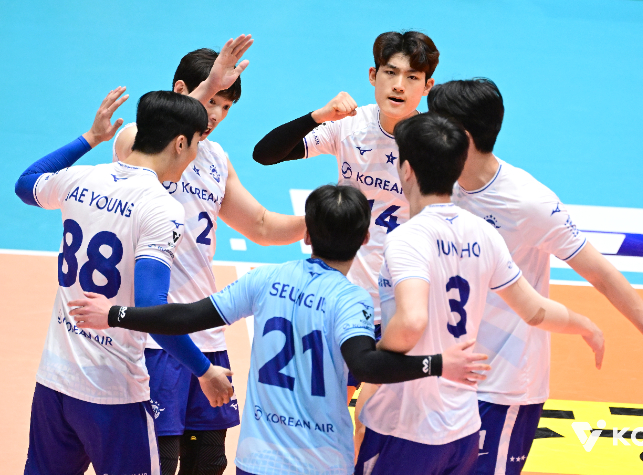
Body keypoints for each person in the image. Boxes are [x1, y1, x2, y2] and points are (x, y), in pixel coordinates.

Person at [69, 184, 489, 475]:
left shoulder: (265, 278)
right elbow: (366, 364)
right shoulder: (352, 301)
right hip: (322, 464)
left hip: (259, 462)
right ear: (365, 238)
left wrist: (115, 314)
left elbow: (185, 317)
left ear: (307, 236)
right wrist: (438, 364)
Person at [427, 78, 643, 474]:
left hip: (501, 385)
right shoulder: (437, 182)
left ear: (462, 135)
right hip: (444, 372)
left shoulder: (528, 203)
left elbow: (601, 274)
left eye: (434, 122)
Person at [355, 113, 605, 474]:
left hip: (405, 426)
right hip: (463, 430)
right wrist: (586, 325)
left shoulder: (406, 238)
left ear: (406, 170)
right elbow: (534, 311)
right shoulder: (484, 233)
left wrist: (372, 369)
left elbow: (411, 322)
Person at [112, 37, 307, 474]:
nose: (216, 114)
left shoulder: (215, 158)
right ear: (182, 90)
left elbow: (259, 225)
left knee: (209, 461)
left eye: (226, 105)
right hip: (154, 338)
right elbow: (143, 140)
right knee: (157, 462)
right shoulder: (138, 142)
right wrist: (206, 90)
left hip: (205, 333)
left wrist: (314, 223)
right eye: (213, 99)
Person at [15, 89, 234, 475]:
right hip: (113, 393)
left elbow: (26, 183)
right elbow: (152, 311)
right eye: (196, 144)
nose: (196, 156)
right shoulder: (161, 208)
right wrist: (204, 370)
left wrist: (90, 138)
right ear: (180, 143)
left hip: (54, 382)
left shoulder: (81, 178)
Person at [252, 29, 439, 441]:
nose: (399, 85)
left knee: (375, 430)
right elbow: (264, 154)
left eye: (412, 77)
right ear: (373, 75)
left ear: (427, 87)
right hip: (341, 298)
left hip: (401, 305)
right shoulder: (351, 125)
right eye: (390, 72)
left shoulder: (436, 143)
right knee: (318, 422)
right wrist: (317, 116)